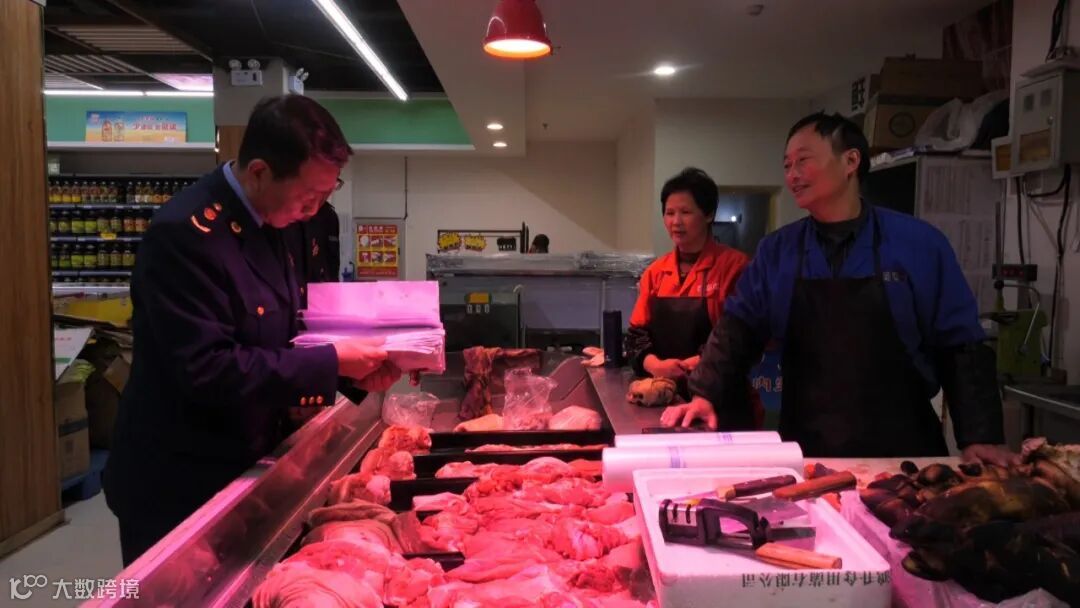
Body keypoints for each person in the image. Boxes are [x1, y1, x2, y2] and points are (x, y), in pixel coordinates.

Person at [104, 95, 401, 566]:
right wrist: (331, 363)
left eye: (327, 194)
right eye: (308, 195)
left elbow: (290, 332)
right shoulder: (186, 235)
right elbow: (207, 368)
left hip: (253, 463)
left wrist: (353, 373)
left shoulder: (287, 219)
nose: (315, 209)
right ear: (260, 171)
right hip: (183, 479)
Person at [662, 113, 1014, 464]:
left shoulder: (919, 243)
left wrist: (981, 435)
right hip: (806, 449)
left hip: (906, 448)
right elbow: (738, 329)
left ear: (851, 161)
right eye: (787, 165)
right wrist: (705, 393)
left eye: (803, 160)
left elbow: (961, 345)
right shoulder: (777, 251)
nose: (792, 174)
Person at [626, 168, 761, 428]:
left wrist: (698, 363)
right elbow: (636, 335)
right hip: (665, 397)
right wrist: (655, 365)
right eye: (669, 213)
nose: (676, 221)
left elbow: (740, 336)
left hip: (723, 400)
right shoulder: (656, 272)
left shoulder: (735, 266)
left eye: (685, 212)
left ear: (708, 214)